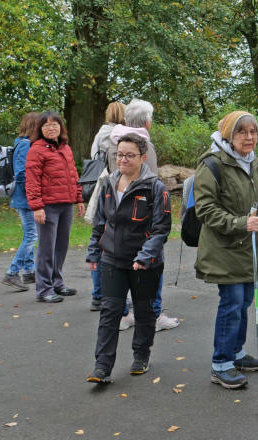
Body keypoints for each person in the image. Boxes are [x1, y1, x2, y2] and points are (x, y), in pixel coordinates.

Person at [193, 111, 258, 389]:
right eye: (242, 132)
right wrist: (239, 223)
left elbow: (252, 202)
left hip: (248, 247)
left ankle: (235, 353)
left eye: (253, 132)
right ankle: (220, 364)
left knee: (244, 301)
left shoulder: (251, 163)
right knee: (232, 304)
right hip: (225, 248)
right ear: (228, 135)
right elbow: (206, 210)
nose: (249, 137)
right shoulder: (212, 164)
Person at [85, 133, 171, 384]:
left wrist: (145, 256)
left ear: (142, 157)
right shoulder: (108, 183)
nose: (123, 159)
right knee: (110, 311)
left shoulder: (155, 188)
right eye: (119, 154)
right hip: (113, 259)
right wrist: (93, 251)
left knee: (144, 311)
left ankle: (141, 356)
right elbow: (100, 222)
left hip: (145, 263)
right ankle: (102, 367)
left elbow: (161, 229)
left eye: (129, 155)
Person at [112, 99, 178, 332]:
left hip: (117, 211)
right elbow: (150, 180)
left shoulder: (110, 139)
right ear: (147, 121)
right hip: (141, 213)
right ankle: (154, 315)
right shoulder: (143, 146)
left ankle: (123, 314)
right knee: (150, 261)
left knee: (120, 264)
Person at [24, 111, 85, 303]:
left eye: (55, 124)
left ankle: (57, 283)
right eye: (46, 125)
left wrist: (79, 198)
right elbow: (32, 180)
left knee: (61, 246)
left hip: (66, 204)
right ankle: (44, 289)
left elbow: (74, 175)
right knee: (46, 248)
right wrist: (36, 207)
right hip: (48, 206)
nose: (51, 128)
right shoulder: (36, 149)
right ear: (40, 129)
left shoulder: (65, 148)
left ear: (61, 127)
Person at [88, 101, 125, 310]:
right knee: (107, 240)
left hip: (99, 188)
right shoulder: (116, 135)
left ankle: (97, 294)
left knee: (98, 237)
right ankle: (103, 293)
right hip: (111, 190)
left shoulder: (100, 134)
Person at [2, 111, 40, 291]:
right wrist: (33, 194)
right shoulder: (25, 145)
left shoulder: (24, 144)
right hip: (25, 198)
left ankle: (29, 272)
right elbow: (22, 174)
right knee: (32, 236)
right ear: (34, 126)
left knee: (30, 234)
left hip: (24, 198)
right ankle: (12, 273)